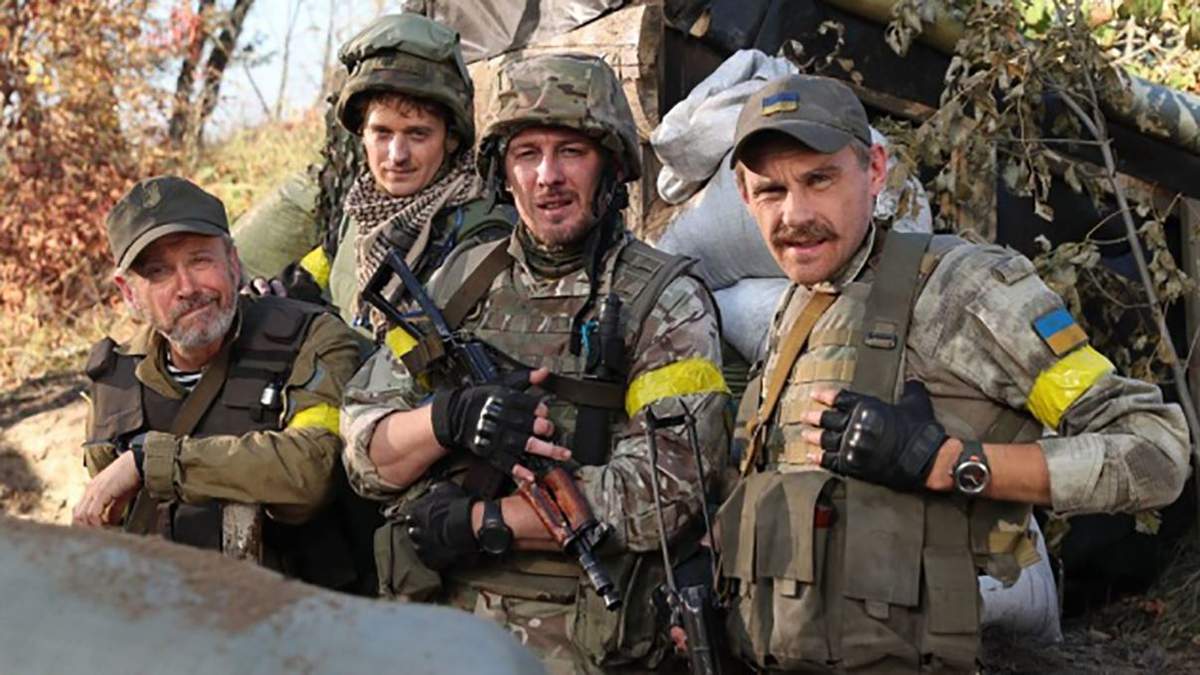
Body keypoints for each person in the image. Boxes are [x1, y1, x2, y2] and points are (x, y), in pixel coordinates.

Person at [718, 73, 1190, 672]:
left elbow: (1153, 452)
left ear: (875, 171)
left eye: (820, 179)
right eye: (771, 190)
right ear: (744, 196)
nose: (796, 214)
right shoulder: (798, 307)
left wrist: (948, 463)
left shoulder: (963, 289)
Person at [340, 53, 730, 672]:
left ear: (611, 166)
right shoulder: (461, 280)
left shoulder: (664, 300)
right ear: (503, 172)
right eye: (527, 154)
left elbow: (665, 493)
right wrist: (447, 419)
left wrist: (480, 522)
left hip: (580, 636)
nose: (547, 176)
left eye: (571, 152)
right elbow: (365, 451)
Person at [75, 175, 369, 592]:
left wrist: (150, 464)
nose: (187, 288)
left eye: (200, 261)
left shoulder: (311, 338)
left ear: (233, 261)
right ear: (129, 293)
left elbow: (311, 470)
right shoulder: (114, 382)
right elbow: (110, 522)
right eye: (159, 273)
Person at [251, 12, 512, 334]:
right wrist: (277, 301)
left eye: (418, 134)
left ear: (451, 139)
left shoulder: (482, 232)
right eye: (382, 133)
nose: (397, 155)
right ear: (362, 133)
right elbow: (329, 280)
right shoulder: (359, 211)